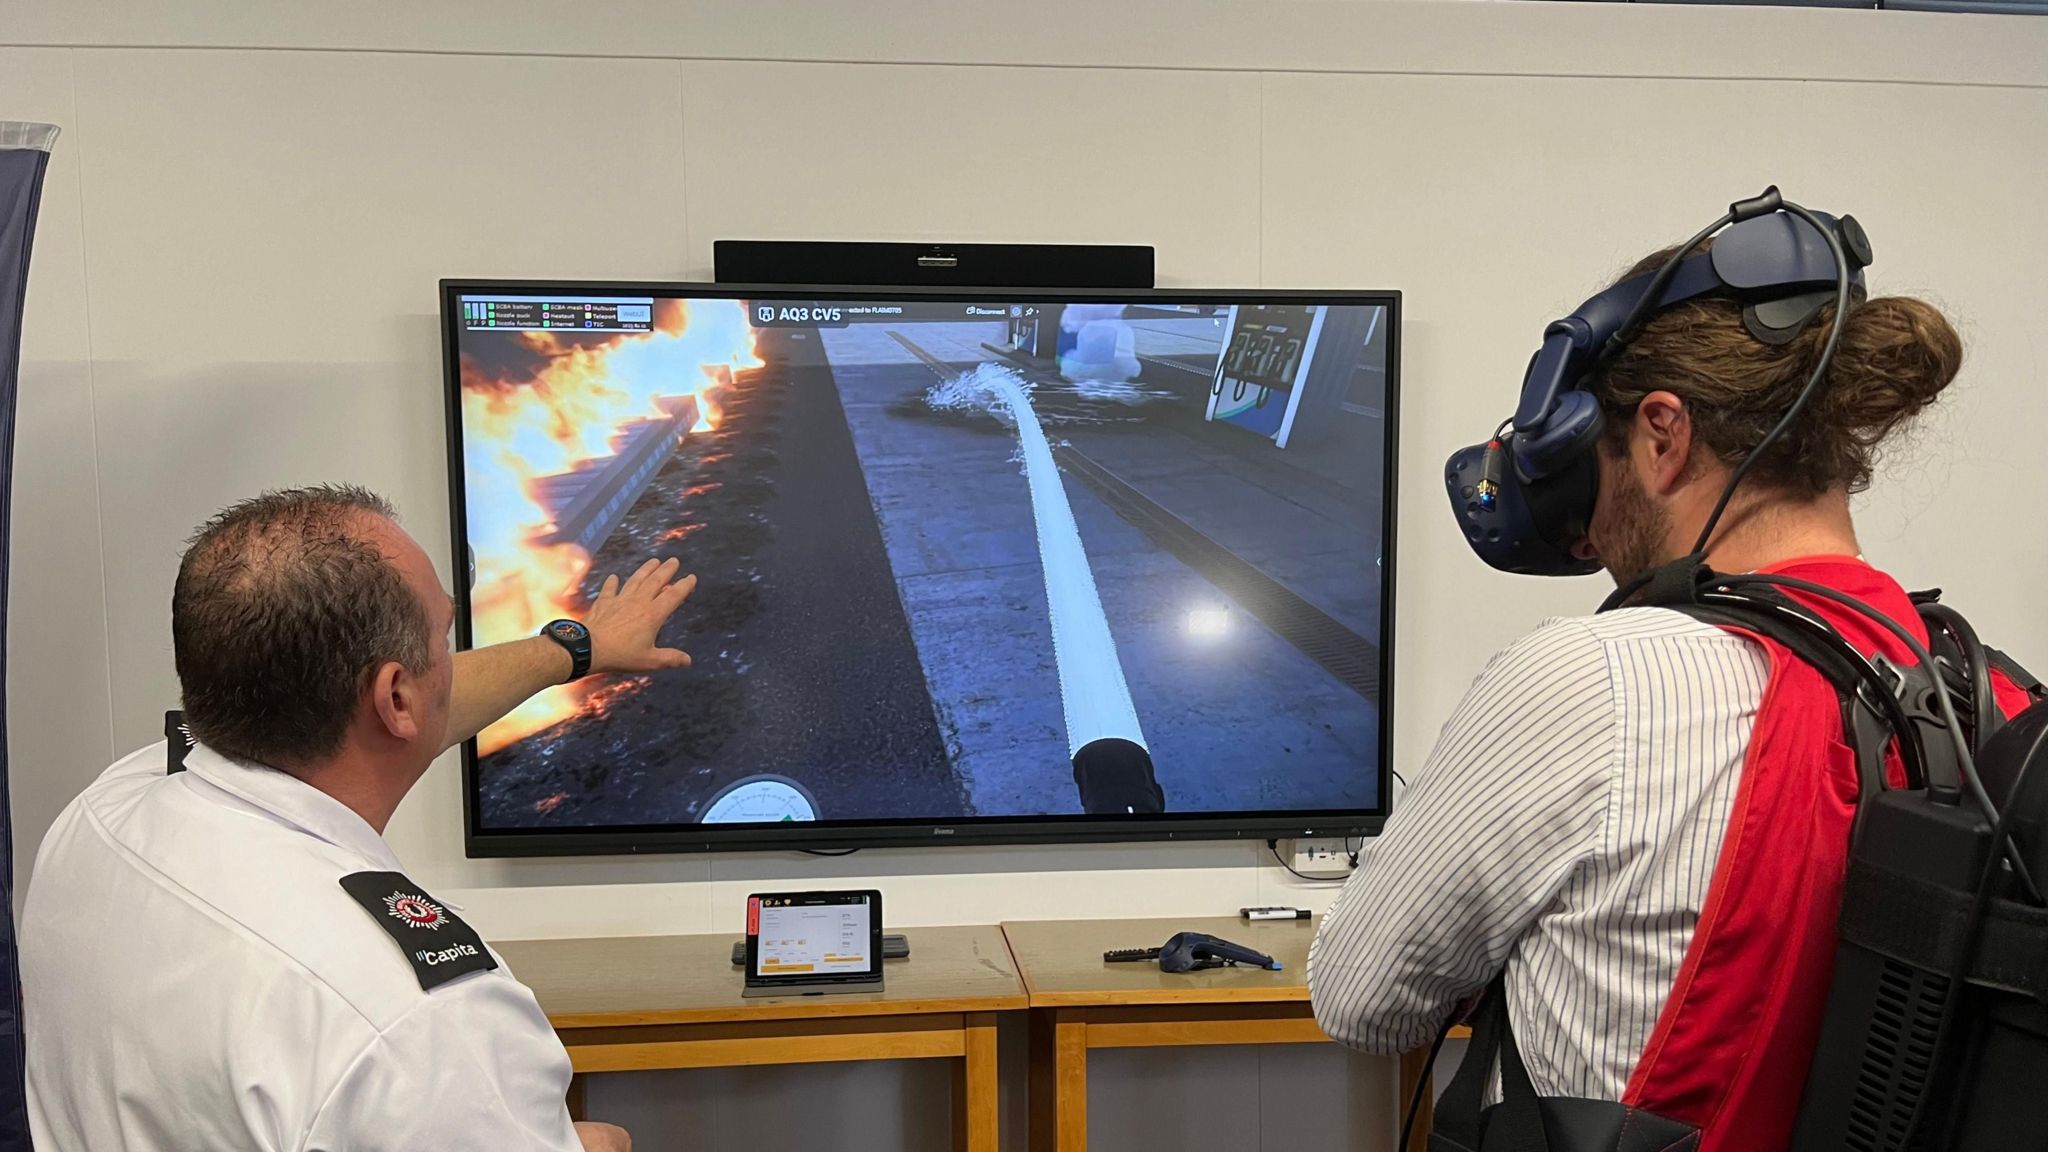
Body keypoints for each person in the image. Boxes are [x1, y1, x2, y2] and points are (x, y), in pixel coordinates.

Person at [1307, 235, 2036, 1147]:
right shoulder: (1992, 699)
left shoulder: (1589, 679)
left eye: (1597, 469)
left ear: (1661, 435)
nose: (1590, 532)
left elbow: (1362, 1003)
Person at [21, 485, 697, 1151]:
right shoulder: (418, 1021)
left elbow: (419, 712)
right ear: (396, 697)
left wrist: (573, 649)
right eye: (443, 637)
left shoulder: (105, 812)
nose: (451, 664)